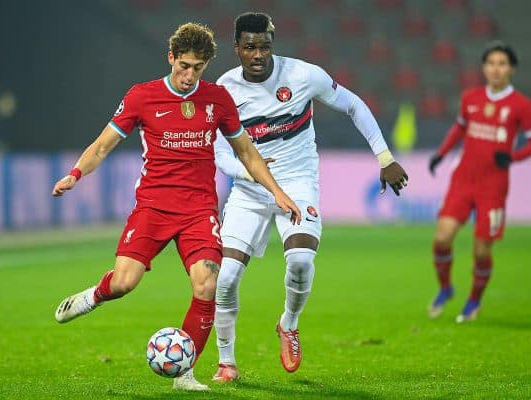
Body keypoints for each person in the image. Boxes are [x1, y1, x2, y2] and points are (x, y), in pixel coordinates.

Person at [51, 22, 301, 392]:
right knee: (124, 283)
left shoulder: (217, 99)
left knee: (208, 283)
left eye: (197, 68)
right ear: (170, 58)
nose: (188, 75)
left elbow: (246, 151)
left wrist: (277, 191)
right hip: (153, 206)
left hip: (199, 209)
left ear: (206, 66)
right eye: (183, 65)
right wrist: (75, 174)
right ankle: (93, 296)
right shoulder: (142, 96)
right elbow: (103, 145)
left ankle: (185, 373)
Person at [211, 12, 409, 382]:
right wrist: (251, 172)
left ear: (273, 45)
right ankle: (227, 362)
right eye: (250, 47)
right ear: (237, 48)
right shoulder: (224, 91)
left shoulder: (303, 75)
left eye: (265, 47)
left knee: (301, 261)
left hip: (298, 182)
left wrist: (385, 158)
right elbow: (220, 152)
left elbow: (354, 105)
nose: (258, 55)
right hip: (251, 190)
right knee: (226, 277)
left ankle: (289, 323)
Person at [428, 41, 531, 323]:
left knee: (481, 249)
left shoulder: (521, 105)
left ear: (511, 69)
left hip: (493, 186)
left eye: (502, 64)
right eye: (491, 63)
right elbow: (460, 127)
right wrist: (441, 154)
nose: (496, 69)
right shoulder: (471, 97)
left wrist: (513, 157)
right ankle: (446, 288)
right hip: (463, 180)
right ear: (484, 67)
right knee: (442, 238)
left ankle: (473, 300)